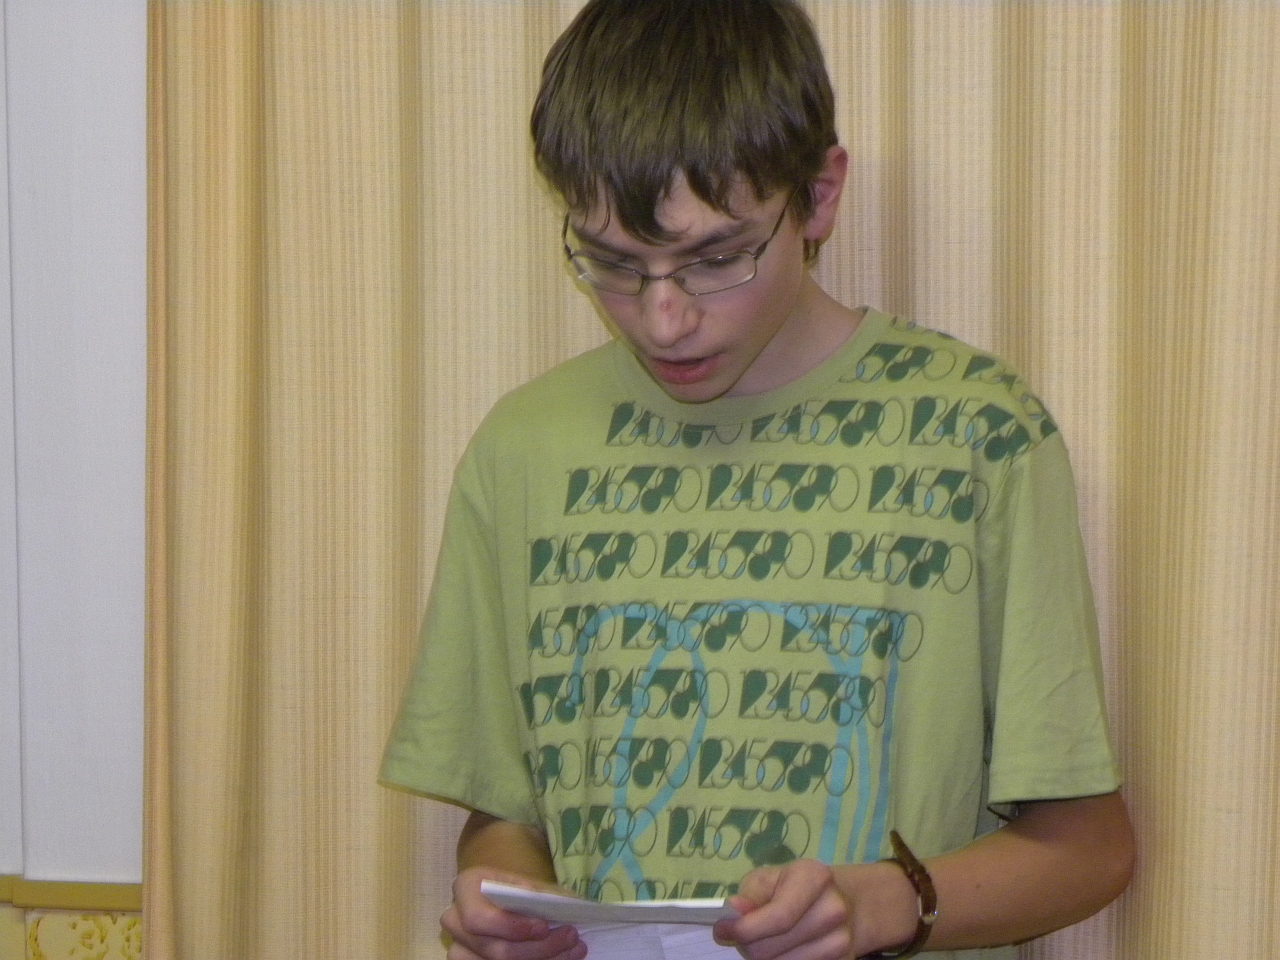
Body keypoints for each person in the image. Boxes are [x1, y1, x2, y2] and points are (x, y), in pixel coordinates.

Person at [380, 1, 1135, 958]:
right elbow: (507, 816)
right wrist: (513, 903)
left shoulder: (977, 435)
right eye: (612, 263)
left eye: (716, 258)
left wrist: (885, 903)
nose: (663, 318)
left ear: (819, 196)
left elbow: (1090, 848)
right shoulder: (524, 449)